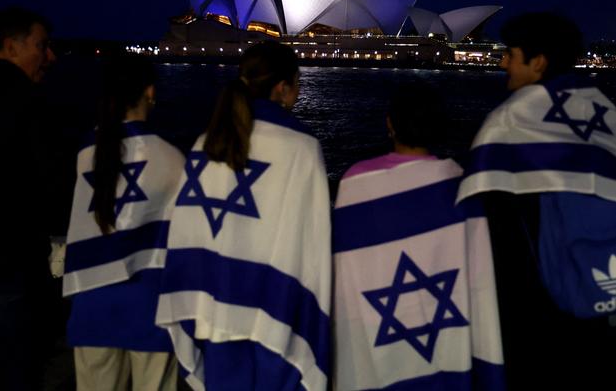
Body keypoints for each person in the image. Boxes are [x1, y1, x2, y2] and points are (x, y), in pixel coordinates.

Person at [156, 41, 331, 390]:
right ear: (283, 87)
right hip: (272, 315)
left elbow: (188, 231)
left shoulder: (206, 143)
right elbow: (312, 243)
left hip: (214, 311)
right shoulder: (301, 148)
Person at [456, 12, 616, 388]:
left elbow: (483, 212)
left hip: (538, 307)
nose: (502, 63)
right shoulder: (606, 112)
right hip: (602, 301)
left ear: (538, 62)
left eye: (510, 54)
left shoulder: (511, 120)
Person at [332, 83, 504, 390]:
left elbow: (345, 274)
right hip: (444, 338)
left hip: (374, 339)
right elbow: (479, 283)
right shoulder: (461, 188)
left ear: (390, 124)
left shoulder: (355, 185)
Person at [63, 56, 184, 391]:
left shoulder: (86, 151)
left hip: (91, 302)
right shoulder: (171, 158)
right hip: (150, 305)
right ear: (150, 91)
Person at [0, 7, 57, 390]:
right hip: (9, 257)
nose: (50, 57)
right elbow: (51, 181)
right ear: (11, 46)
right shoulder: (27, 101)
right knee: (20, 360)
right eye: (42, 46)